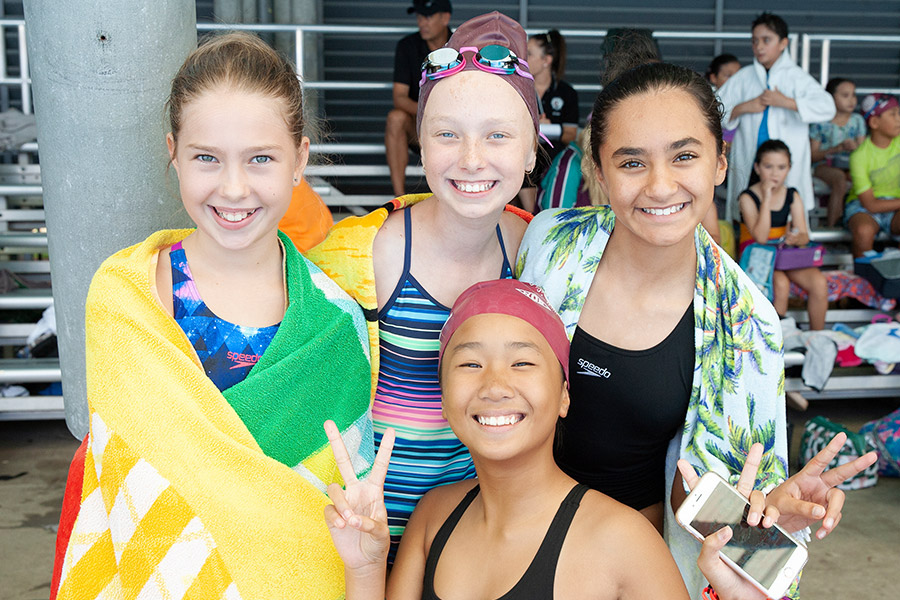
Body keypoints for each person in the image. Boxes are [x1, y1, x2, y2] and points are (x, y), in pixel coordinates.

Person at [50, 33, 373, 600]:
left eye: (261, 159)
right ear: (173, 152)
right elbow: (122, 488)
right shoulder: (126, 300)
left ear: (299, 160)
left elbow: (339, 511)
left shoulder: (335, 326)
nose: (233, 187)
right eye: (207, 158)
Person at [323, 280, 875, 599]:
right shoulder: (432, 517)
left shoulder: (622, 539)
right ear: (442, 394)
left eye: (522, 361)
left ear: (565, 396)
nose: (494, 385)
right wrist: (367, 565)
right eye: (468, 363)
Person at [516, 61, 789, 596]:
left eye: (684, 156)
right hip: (512, 533)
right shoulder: (550, 244)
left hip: (629, 568)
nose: (661, 186)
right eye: (632, 162)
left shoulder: (747, 326)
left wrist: (768, 521)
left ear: (720, 163)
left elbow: (725, 514)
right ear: (599, 168)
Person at [307, 12, 536, 561]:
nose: (472, 159)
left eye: (498, 135)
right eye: (447, 134)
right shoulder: (360, 255)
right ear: (421, 144)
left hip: (481, 537)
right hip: (364, 533)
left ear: (531, 152)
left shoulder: (534, 252)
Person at [717, 12, 835, 221]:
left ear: (783, 43)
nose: (759, 47)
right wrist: (744, 107)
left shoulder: (797, 78)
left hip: (784, 165)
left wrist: (787, 102)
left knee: (788, 217)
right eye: (755, 41)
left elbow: (827, 107)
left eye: (766, 40)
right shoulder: (744, 78)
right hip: (752, 162)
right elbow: (715, 109)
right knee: (747, 216)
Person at [739, 140, 828, 329]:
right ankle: (776, 336)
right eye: (768, 166)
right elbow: (761, 237)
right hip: (757, 254)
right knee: (780, 282)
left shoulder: (792, 195)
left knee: (819, 282)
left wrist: (796, 238)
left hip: (784, 254)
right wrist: (767, 198)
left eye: (781, 167)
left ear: (789, 169)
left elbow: (804, 234)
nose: (774, 173)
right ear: (757, 168)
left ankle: (817, 335)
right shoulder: (747, 197)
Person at [386, 0, 453, 197]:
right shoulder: (408, 46)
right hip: (419, 126)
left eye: (428, 16)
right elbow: (399, 98)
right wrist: (432, 114)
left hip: (455, 128)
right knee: (395, 118)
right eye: (419, 17)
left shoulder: (462, 47)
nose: (422, 22)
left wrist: (446, 119)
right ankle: (398, 200)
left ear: (445, 17)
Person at [517, 29, 579, 212]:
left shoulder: (566, 92)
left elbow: (571, 135)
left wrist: (552, 128)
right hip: (525, 161)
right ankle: (530, 218)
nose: (523, 58)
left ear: (546, 61)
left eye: (529, 54)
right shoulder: (519, 88)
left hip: (553, 161)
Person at [844, 93, 900, 257]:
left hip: (895, 205)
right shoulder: (859, 156)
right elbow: (871, 205)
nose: (898, 119)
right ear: (874, 122)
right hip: (863, 207)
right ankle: (864, 279)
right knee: (863, 231)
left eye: (899, 113)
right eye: (893, 114)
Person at [810, 78, 866, 227]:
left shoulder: (858, 120)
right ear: (830, 97)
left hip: (851, 165)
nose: (852, 100)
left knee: (859, 179)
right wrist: (837, 149)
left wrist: (856, 148)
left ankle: (857, 222)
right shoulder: (820, 122)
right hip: (824, 166)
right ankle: (832, 227)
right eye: (845, 95)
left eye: (853, 95)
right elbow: (812, 155)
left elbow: (865, 153)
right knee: (840, 180)